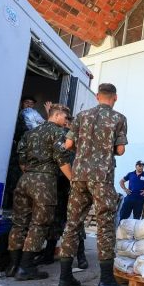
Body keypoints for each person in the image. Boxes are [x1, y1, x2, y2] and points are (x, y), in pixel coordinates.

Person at [56, 83, 130, 286]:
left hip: (79, 175)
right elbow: (120, 150)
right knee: (105, 224)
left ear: (97, 96)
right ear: (114, 98)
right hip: (101, 178)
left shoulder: (81, 116)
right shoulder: (119, 118)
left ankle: (64, 279)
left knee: (72, 224)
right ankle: (106, 283)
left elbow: (68, 146)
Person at [7, 104, 73, 281]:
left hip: (25, 179)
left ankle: (13, 265)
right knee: (39, 224)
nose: (67, 121)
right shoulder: (58, 133)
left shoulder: (30, 133)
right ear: (57, 115)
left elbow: (21, 159)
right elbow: (62, 160)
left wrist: (31, 173)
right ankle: (26, 267)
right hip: (44, 181)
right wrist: (73, 181)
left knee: (19, 223)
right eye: (66, 118)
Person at [38, 113, 88, 270]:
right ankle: (48, 253)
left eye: (69, 125)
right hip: (59, 184)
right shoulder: (60, 139)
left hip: (73, 186)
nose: (67, 126)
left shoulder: (80, 143)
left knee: (75, 221)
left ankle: (81, 256)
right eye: (66, 124)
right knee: (55, 220)